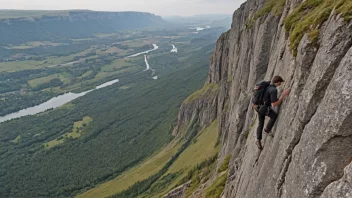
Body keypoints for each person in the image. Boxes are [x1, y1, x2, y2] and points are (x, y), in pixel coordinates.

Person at [255, 76, 290, 150]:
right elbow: (274, 104)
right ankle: (267, 129)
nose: (280, 84)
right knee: (274, 116)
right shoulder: (273, 90)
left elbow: (268, 98)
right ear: (277, 82)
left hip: (258, 107)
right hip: (264, 108)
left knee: (260, 123)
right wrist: (283, 95)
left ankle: (258, 140)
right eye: (280, 83)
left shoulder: (267, 85)